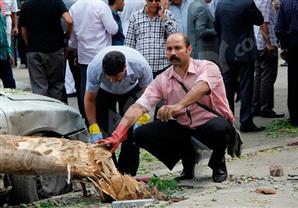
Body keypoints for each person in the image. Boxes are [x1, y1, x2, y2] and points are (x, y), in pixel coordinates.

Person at [99, 33, 235, 183]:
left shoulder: (207, 67)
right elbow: (139, 106)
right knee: (141, 134)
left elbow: (202, 87)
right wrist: (117, 135)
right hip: (184, 127)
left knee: (219, 128)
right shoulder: (162, 79)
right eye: (169, 49)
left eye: (178, 48)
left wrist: (179, 106)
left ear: (189, 49)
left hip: (210, 123)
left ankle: (218, 163)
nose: (173, 53)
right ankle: (188, 160)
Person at [84, 46, 153, 176]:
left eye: (116, 77)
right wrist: (93, 126)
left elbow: (149, 94)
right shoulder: (94, 68)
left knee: (132, 133)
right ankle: (110, 173)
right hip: (104, 92)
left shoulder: (140, 66)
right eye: (108, 77)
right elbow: (89, 100)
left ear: (125, 68)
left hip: (130, 90)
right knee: (103, 132)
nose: (112, 81)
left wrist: (144, 116)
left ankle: (127, 173)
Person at [215, 0, 264, 132]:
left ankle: (227, 120)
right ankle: (246, 121)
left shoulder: (220, 4)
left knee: (227, 88)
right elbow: (260, 20)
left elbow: (217, 27)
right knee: (246, 87)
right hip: (245, 52)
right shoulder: (247, 3)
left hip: (227, 52)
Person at [69, 0, 118, 119]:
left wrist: (75, 53)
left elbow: (73, 39)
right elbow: (113, 29)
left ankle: (88, 122)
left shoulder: (74, 8)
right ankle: (108, 125)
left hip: (84, 57)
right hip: (102, 56)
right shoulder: (101, 6)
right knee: (106, 93)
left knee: (86, 92)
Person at [20, 0, 72, 102]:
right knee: (57, 86)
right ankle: (57, 112)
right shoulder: (56, 2)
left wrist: (29, 44)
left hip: (34, 50)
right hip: (55, 49)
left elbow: (23, 32)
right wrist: (67, 35)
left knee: (39, 88)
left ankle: (44, 113)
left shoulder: (26, 5)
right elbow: (69, 20)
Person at [124, 0, 180, 77]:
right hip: (141, 68)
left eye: (157, 0)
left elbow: (176, 36)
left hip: (163, 66)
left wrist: (163, 17)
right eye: (150, 0)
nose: (153, 3)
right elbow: (129, 44)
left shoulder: (167, 14)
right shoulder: (135, 17)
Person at [251, 0, 284, 118]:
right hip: (265, 44)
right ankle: (266, 108)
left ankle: (256, 106)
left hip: (257, 43)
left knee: (259, 76)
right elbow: (263, 22)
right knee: (268, 77)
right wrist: (268, 43)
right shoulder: (265, 2)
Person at [275, 0, 298, 126]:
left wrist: (284, 45)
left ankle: (294, 117)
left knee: (293, 81)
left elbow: (278, 28)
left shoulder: (285, 2)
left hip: (292, 43)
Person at [0, 10, 16, 88]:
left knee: (11, 86)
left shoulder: (1, 14)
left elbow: (4, 35)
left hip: (4, 55)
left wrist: (8, 52)